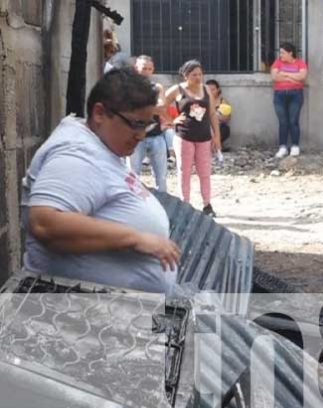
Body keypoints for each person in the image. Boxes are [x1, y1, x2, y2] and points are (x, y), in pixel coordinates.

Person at [20, 68, 180, 294]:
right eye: (136, 124)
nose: (141, 135)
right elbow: (45, 222)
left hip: (123, 308)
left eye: (147, 125)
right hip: (78, 313)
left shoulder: (99, 144)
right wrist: (134, 238)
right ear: (99, 113)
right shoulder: (77, 154)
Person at [163, 60, 221, 217]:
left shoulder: (206, 90)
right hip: (184, 136)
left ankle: (207, 204)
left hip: (204, 137)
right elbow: (161, 103)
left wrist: (217, 136)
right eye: (194, 74)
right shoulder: (178, 89)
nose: (198, 77)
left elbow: (212, 114)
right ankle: (185, 204)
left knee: (205, 172)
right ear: (186, 75)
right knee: (184, 171)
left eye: (200, 74)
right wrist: (170, 120)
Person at [130, 55, 168, 192]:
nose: (146, 71)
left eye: (149, 68)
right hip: (135, 137)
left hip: (156, 136)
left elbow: (162, 108)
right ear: (136, 68)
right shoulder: (129, 88)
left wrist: (141, 108)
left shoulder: (157, 87)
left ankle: (163, 206)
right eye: (143, 68)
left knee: (161, 177)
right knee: (132, 176)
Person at [271, 42, 308, 159]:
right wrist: (293, 77)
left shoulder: (300, 63)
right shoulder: (277, 63)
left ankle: (295, 146)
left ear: (290, 53)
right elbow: (275, 77)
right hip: (279, 95)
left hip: (295, 95)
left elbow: (302, 77)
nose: (280, 55)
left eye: (283, 53)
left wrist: (285, 74)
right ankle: (282, 147)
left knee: (293, 120)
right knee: (283, 122)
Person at [206, 79, 233, 150]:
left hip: (218, 126)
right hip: (206, 126)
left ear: (218, 90)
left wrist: (217, 117)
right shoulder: (203, 101)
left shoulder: (223, 102)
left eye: (213, 89)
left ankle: (216, 145)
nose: (211, 92)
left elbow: (227, 118)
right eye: (209, 90)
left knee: (225, 129)